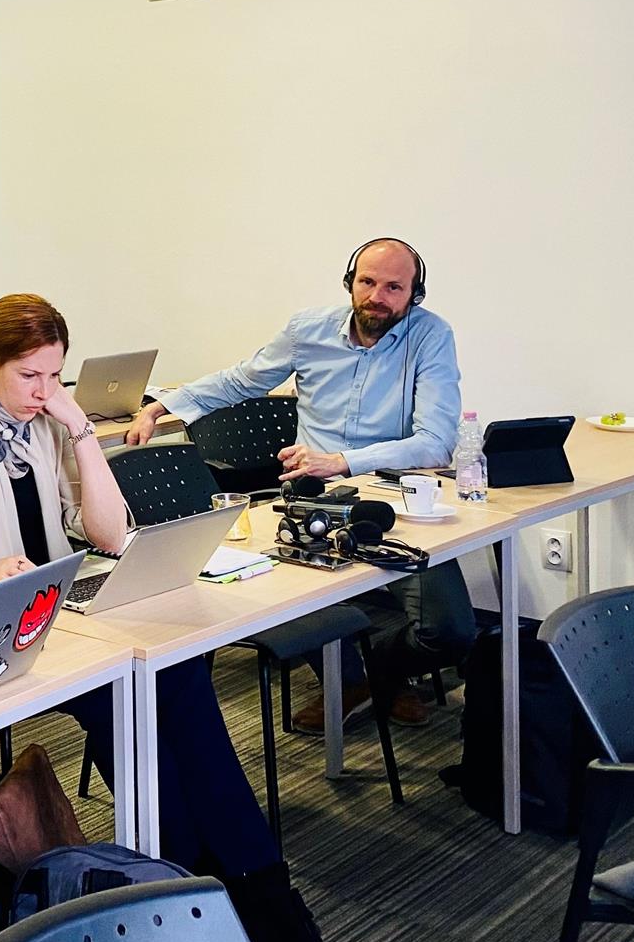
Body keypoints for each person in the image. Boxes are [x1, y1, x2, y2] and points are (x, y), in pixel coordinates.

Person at [0, 293, 370, 942]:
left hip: (48, 609)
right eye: (29, 376)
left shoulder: (46, 420)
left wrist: (79, 428)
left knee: (179, 674)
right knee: (123, 700)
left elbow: (109, 535)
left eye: (55, 375)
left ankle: (242, 887)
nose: (43, 391)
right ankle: (210, 897)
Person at [126, 237, 470, 731]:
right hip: (313, 500)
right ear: (349, 282)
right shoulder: (309, 330)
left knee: (450, 631)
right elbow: (242, 380)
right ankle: (350, 681)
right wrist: (161, 406)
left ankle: (373, 677)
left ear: (415, 294)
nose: (377, 296)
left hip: (393, 500)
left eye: (394, 287)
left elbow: (435, 443)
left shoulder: (431, 335)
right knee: (282, 597)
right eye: (367, 282)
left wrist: (343, 462)